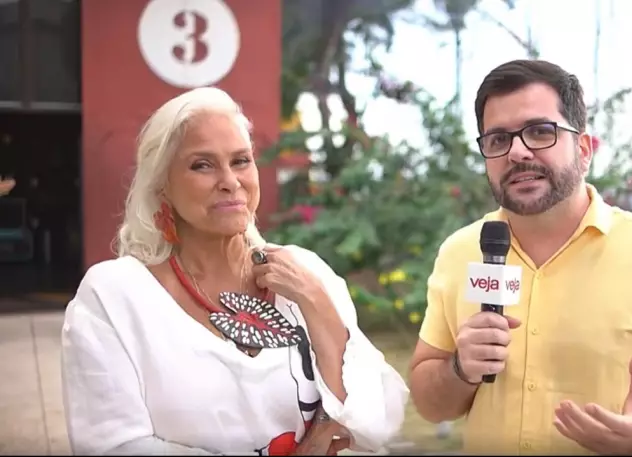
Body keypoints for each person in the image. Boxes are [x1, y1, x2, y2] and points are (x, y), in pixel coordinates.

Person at [408, 60, 632, 455]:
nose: (517, 152)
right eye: (498, 139)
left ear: (584, 149)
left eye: (540, 131)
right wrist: (459, 369)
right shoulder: (459, 253)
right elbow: (431, 406)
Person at [61, 87, 409, 456]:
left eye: (241, 160)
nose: (230, 180)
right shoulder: (114, 296)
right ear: (162, 185)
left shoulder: (304, 271)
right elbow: (114, 445)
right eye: (202, 164)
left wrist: (315, 302)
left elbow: (379, 423)